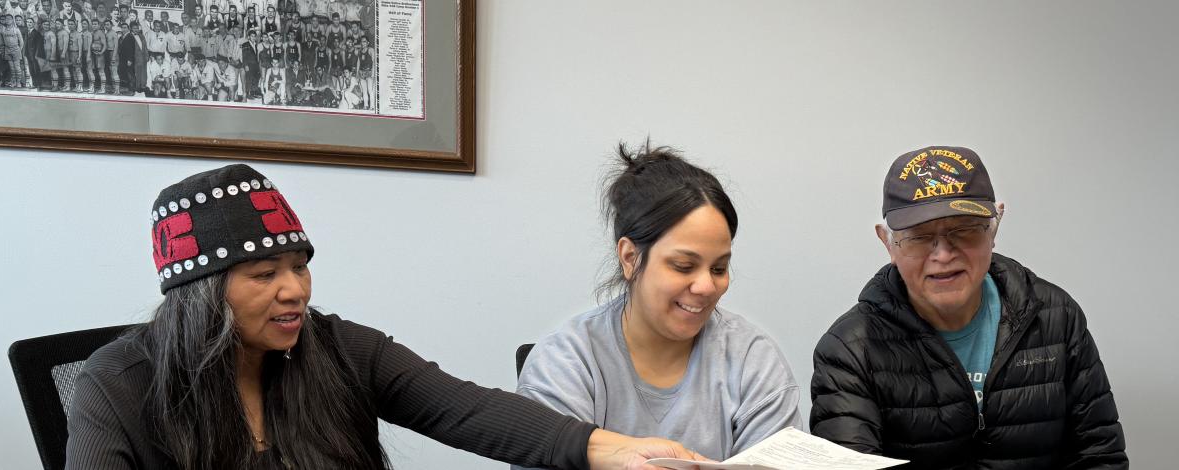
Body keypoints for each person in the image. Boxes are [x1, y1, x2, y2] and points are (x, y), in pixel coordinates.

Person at [64, 164, 710, 469]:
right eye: (264, 275)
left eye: (300, 267)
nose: (295, 291)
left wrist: (618, 450)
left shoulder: (339, 349)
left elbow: (469, 410)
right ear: (200, 293)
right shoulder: (116, 383)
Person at [809, 146, 1127, 468]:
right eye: (919, 237)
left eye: (964, 230)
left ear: (994, 228)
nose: (943, 255)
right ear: (887, 243)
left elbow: (1099, 457)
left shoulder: (1056, 317)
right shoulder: (850, 349)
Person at [514, 143, 803, 466]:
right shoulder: (566, 362)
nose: (707, 287)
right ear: (630, 258)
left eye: (719, 268)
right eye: (683, 266)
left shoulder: (752, 359)